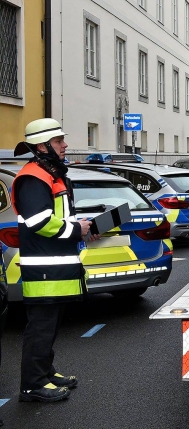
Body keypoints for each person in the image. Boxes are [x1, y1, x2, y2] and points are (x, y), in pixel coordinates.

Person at [11, 118, 98, 402]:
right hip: (44, 269)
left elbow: (57, 218)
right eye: (59, 141)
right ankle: (33, 385)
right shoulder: (33, 177)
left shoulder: (49, 174)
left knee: (49, 325)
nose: (65, 145)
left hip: (55, 266)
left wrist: (82, 228)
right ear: (42, 145)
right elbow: (39, 221)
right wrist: (75, 229)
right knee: (41, 327)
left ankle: (45, 373)